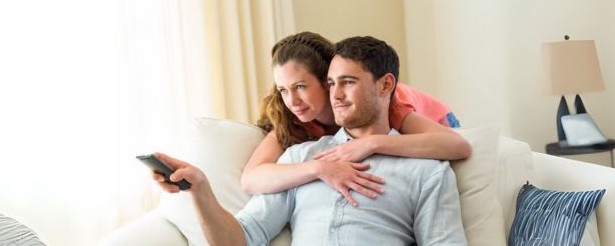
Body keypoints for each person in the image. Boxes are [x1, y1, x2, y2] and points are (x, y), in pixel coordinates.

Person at [151, 36, 467, 245]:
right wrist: (201, 190)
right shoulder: (298, 155)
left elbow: (457, 145)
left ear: (385, 86)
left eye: (348, 83)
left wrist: (373, 144)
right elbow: (240, 237)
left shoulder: (427, 170)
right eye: (332, 84)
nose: (337, 95)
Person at [242, 32, 470, 206]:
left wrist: (371, 143)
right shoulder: (295, 120)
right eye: (283, 90)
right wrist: (317, 168)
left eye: (300, 87)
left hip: (438, 118)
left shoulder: (383, 105)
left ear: (326, 80)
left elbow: (457, 145)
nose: (292, 101)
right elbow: (251, 179)